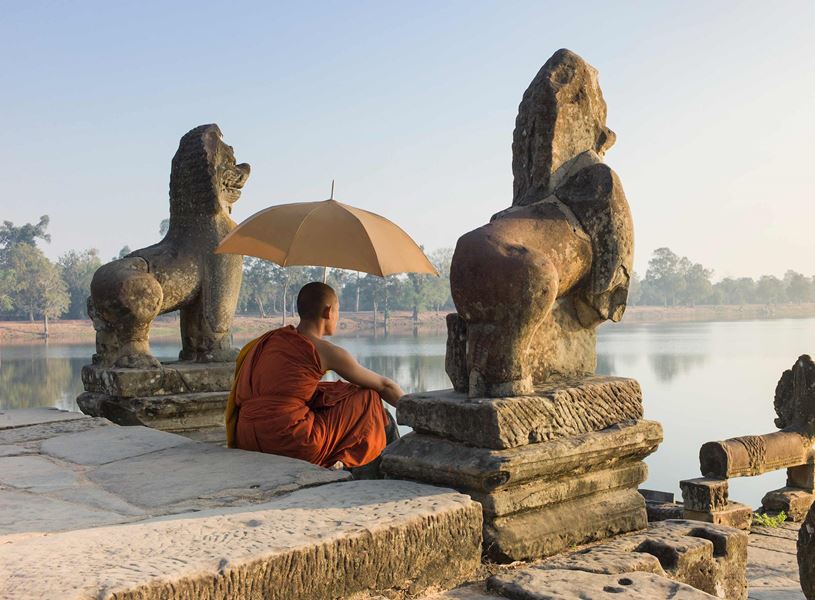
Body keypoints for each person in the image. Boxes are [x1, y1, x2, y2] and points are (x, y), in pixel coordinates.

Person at [224, 281, 404, 470]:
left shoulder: (272, 340)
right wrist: (416, 413)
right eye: (337, 311)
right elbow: (384, 386)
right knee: (368, 398)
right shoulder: (325, 351)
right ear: (328, 312)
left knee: (330, 390)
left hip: (245, 436)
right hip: (288, 441)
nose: (337, 316)